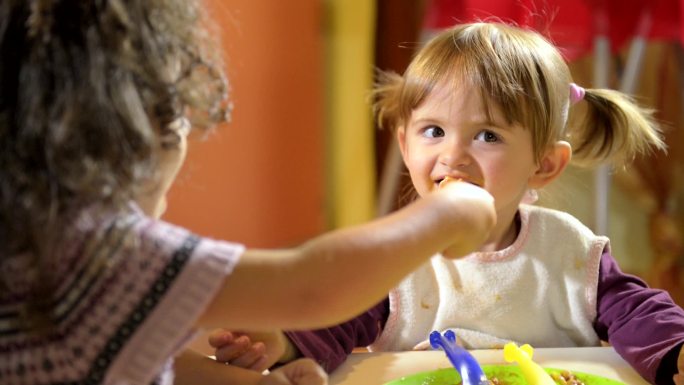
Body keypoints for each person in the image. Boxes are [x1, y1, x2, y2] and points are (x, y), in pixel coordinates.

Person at [0, 3, 498, 385]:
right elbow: (311, 289)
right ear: (140, 129)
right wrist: (446, 215)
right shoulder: (96, 258)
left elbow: (149, 353)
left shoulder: (26, 249)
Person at [209, 21, 684, 385]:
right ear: (404, 143)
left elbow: (641, 315)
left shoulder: (570, 250)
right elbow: (335, 321)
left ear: (543, 164)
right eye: (433, 131)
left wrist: (675, 351)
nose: (452, 155)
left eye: (488, 135)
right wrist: (285, 345)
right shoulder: (399, 255)